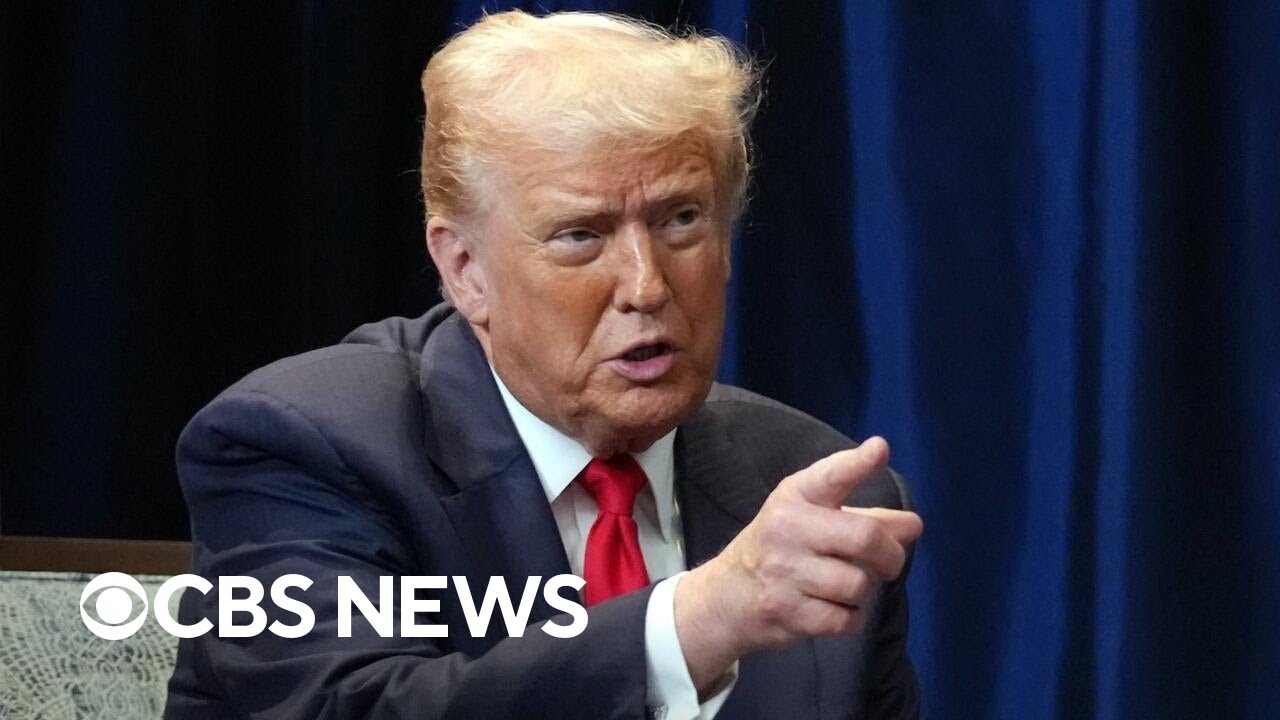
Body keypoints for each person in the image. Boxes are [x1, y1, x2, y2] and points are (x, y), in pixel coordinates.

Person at [164, 10, 924, 719]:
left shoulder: (819, 495)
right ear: (465, 270)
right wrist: (694, 623)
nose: (646, 285)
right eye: (580, 235)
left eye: (681, 219)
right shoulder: (302, 449)